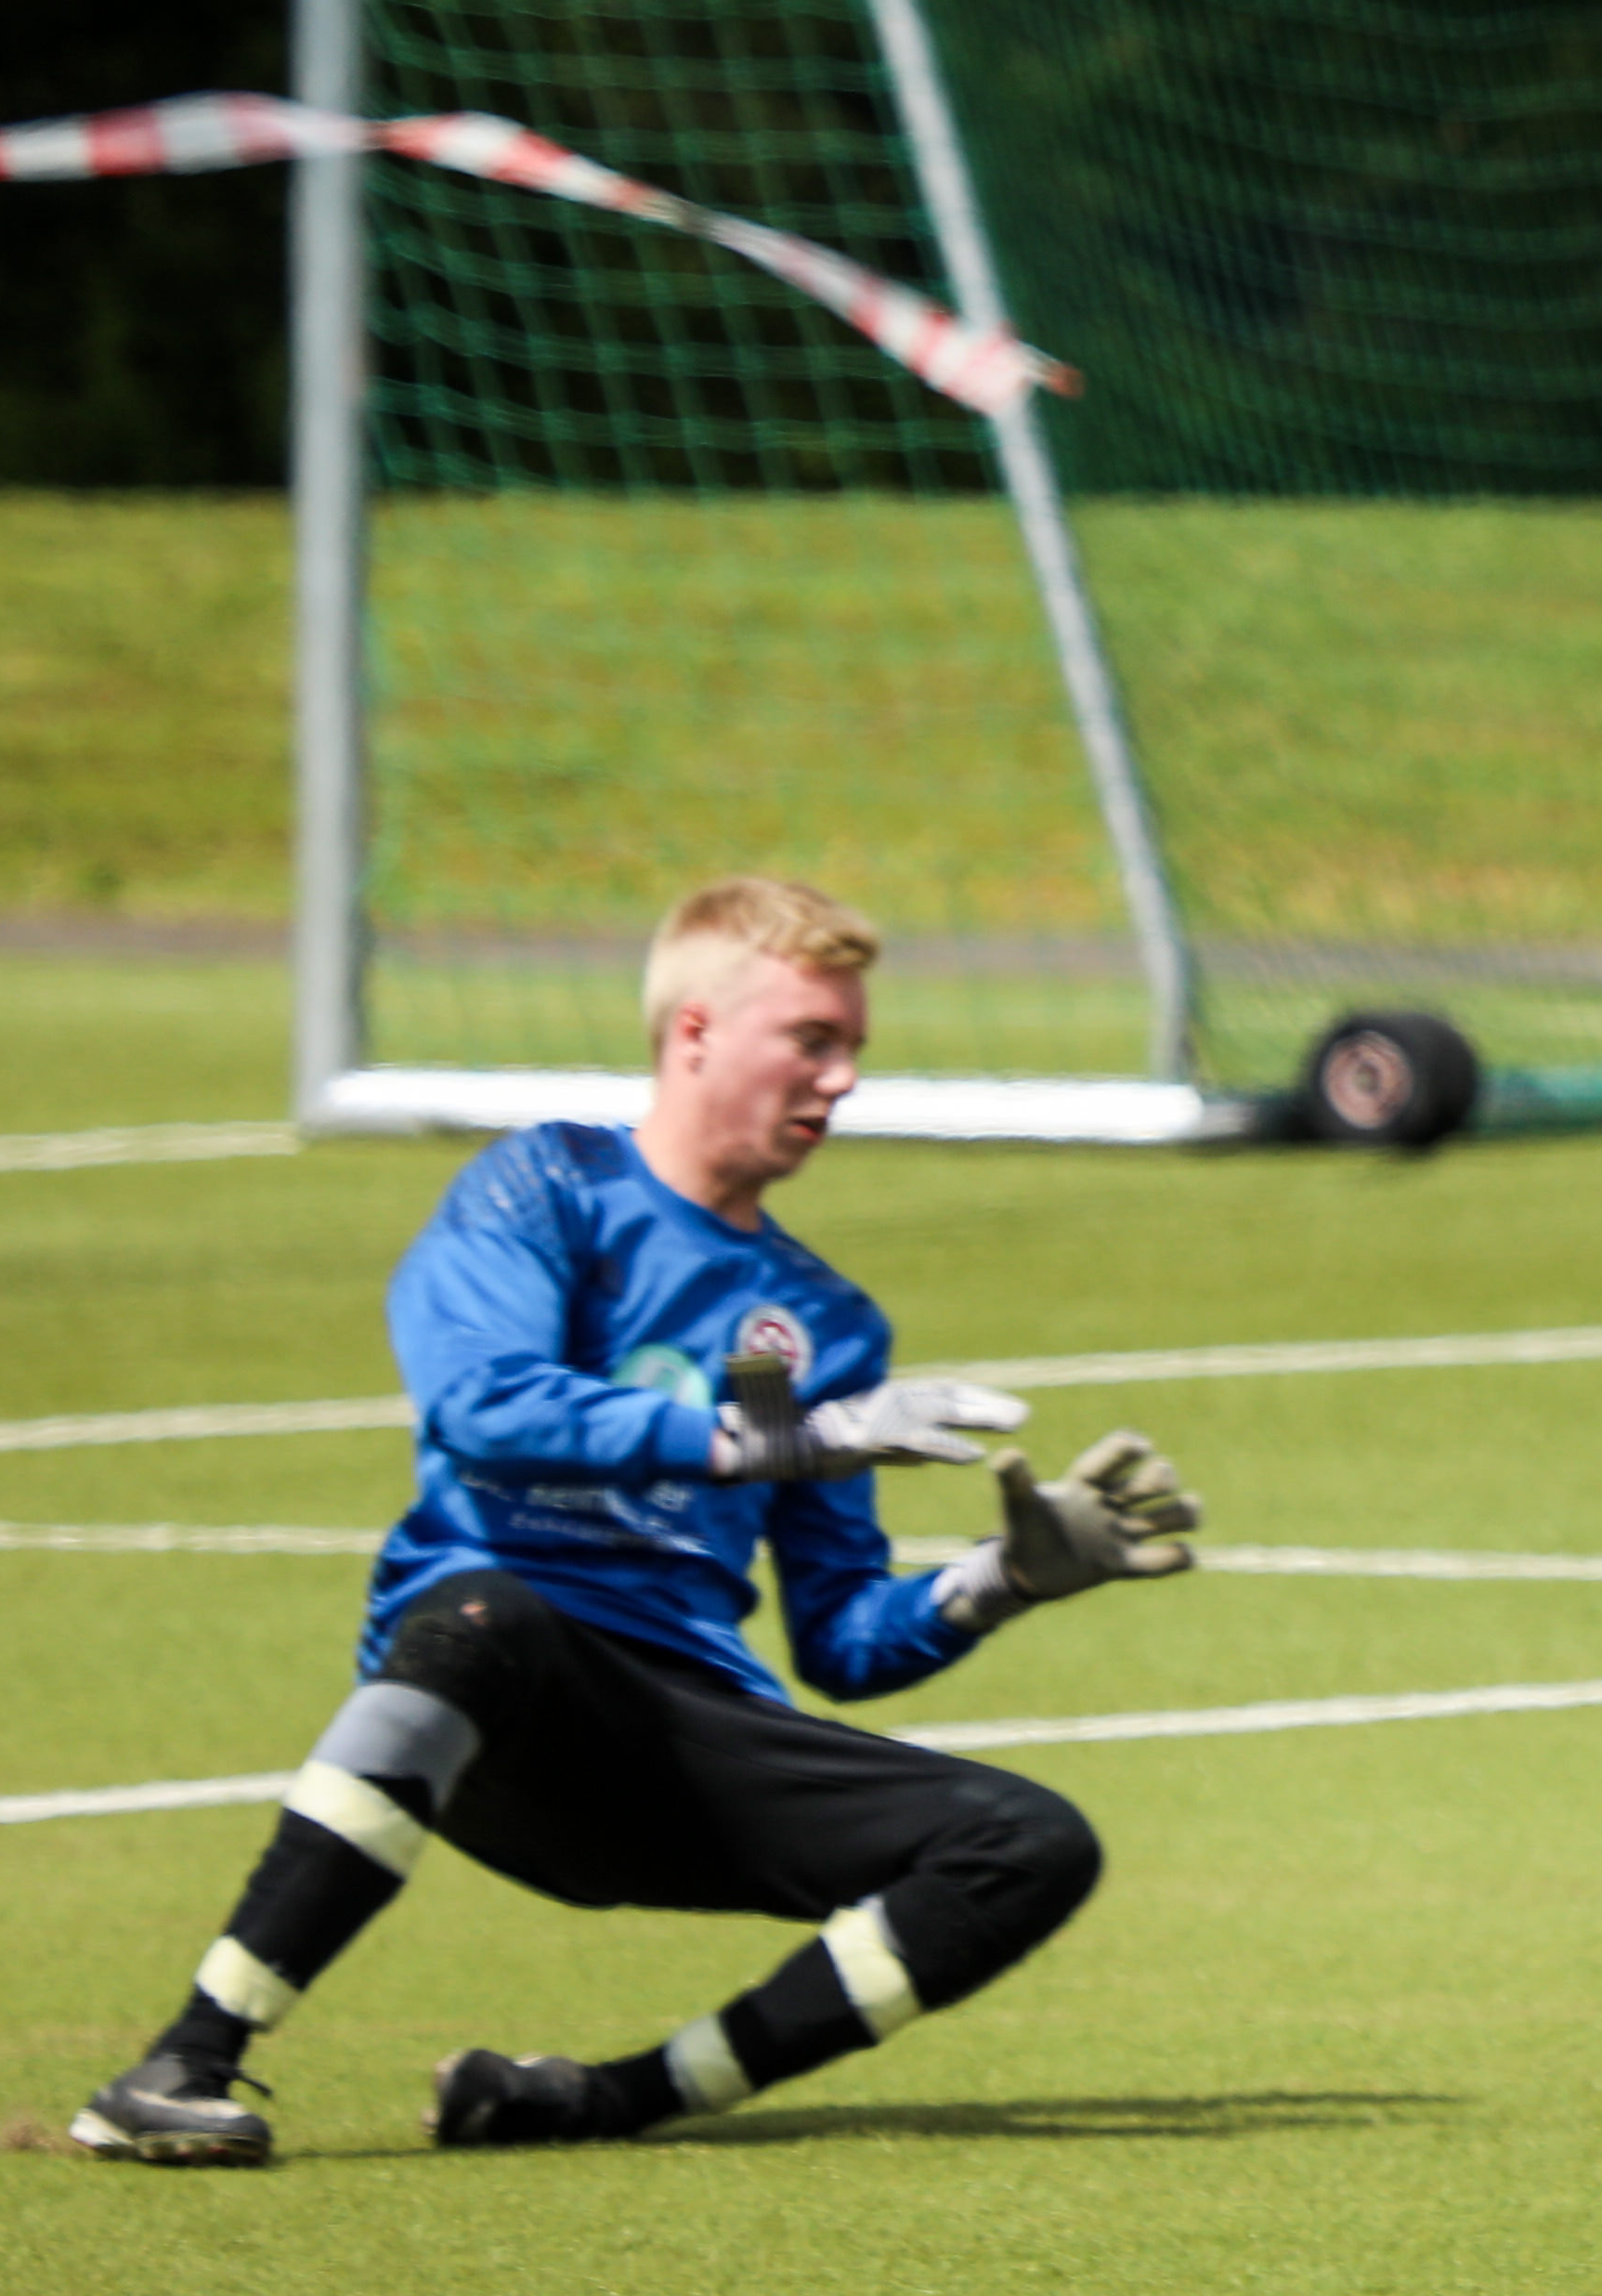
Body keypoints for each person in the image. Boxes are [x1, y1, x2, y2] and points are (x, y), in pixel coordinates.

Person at [72, 876, 1204, 2163]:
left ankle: (600, 2100)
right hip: (495, 1701)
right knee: (488, 1615)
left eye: (852, 1047)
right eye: (811, 1040)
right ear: (696, 1032)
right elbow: (484, 1401)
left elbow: (842, 1638)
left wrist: (1001, 1579)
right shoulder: (549, 1188)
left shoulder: (810, 1321)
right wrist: (760, 1438)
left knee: (1032, 1842)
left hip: (683, 1738)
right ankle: (182, 2062)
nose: (839, 1079)